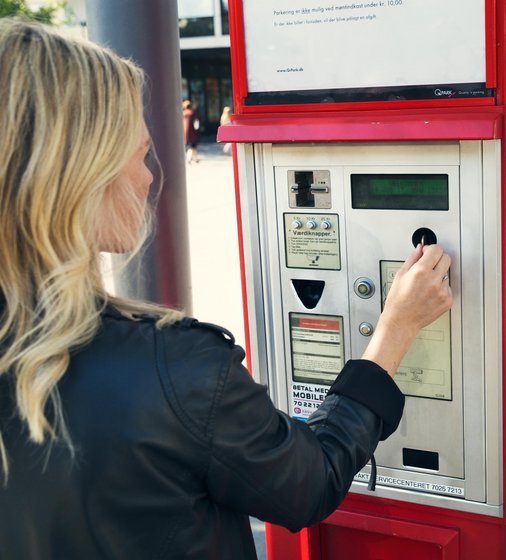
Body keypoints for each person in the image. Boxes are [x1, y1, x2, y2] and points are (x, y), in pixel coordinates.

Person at [0, 19, 452, 560]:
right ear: (78, 174)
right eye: (139, 151)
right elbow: (310, 483)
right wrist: (396, 328)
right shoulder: (175, 372)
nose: (149, 177)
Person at [183, 99, 200, 163]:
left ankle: (195, 158)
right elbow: (196, 123)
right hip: (193, 132)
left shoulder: (183, 114)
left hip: (185, 133)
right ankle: (190, 158)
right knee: (192, 146)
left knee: (190, 146)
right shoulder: (192, 113)